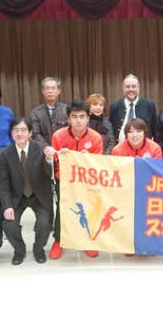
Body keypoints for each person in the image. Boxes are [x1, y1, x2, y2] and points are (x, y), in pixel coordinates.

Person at [44, 100, 103, 260]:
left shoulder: (96, 138)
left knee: (88, 211)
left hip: (86, 182)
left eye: (82, 116)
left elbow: (99, 164)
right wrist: (51, 156)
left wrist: (88, 159)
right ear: (68, 119)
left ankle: (87, 241)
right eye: (74, 117)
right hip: (64, 180)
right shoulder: (58, 136)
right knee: (62, 211)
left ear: (88, 118)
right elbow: (53, 161)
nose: (78, 120)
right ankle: (59, 241)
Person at [0, 117, 53, 265]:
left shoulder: (41, 149)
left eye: (23, 130)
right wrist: (7, 206)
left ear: (30, 133)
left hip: (39, 195)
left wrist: (49, 160)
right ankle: (19, 250)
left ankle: (38, 249)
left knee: (44, 223)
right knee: (9, 224)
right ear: (11, 133)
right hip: (17, 196)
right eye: (15, 130)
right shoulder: (4, 154)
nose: (19, 133)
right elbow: (3, 184)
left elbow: (49, 174)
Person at [109, 73, 157, 142]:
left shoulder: (149, 105)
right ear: (123, 89)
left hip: (143, 146)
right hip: (120, 146)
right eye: (128, 87)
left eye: (134, 86)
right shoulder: (115, 106)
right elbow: (111, 130)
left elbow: (154, 129)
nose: (131, 89)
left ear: (138, 88)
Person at [30, 77, 68, 147]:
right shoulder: (36, 112)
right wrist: (46, 147)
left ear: (58, 91)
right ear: (43, 91)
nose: (50, 91)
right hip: (43, 150)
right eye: (47, 88)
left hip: (64, 149)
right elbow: (35, 133)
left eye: (53, 88)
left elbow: (71, 131)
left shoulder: (66, 110)